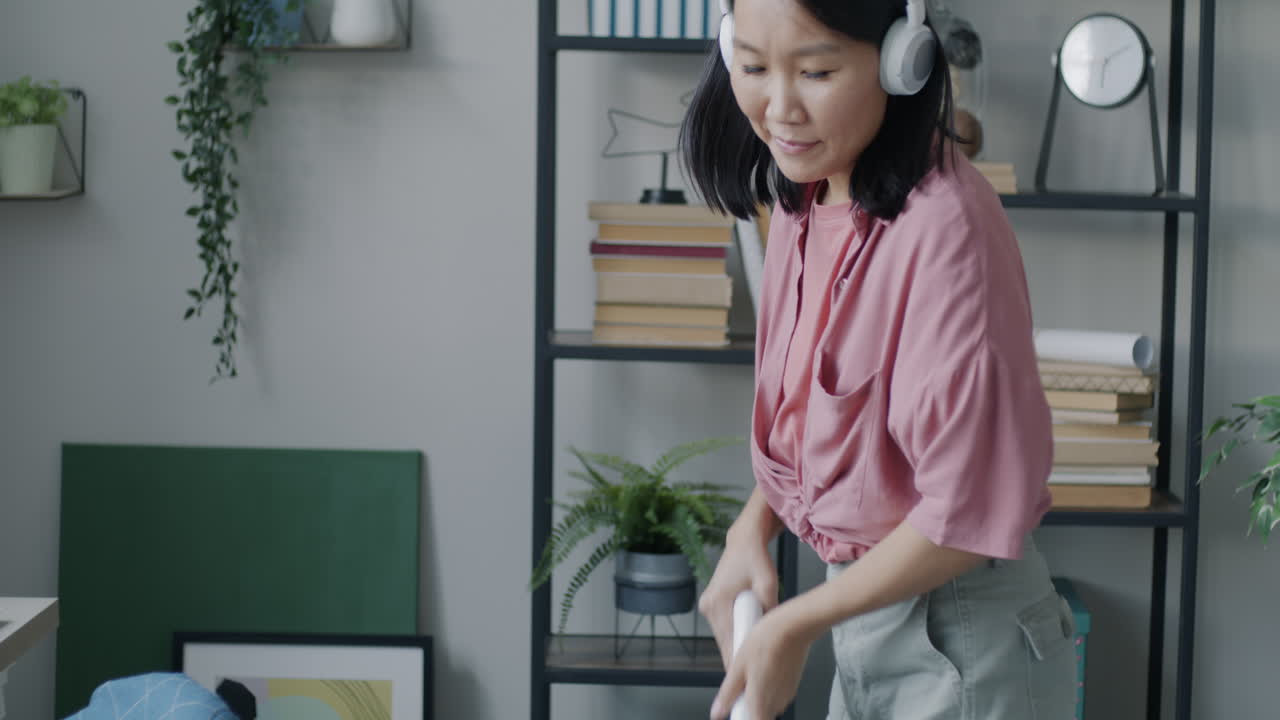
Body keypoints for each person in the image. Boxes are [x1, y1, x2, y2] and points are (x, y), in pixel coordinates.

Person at [679, 1, 1078, 719]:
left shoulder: (946, 227)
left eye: (817, 71)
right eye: (754, 67)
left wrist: (795, 623)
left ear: (903, 60)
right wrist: (752, 528)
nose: (779, 107)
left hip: (962, 640)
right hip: (866, 616)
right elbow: (829, 415)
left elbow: (965, 513)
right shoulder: (806, 193)